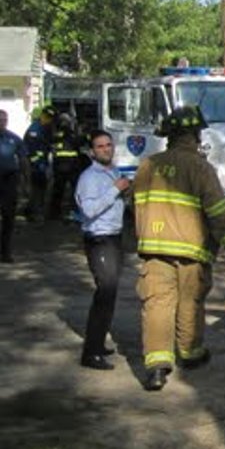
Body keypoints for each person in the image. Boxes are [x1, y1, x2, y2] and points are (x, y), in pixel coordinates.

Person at [133, 106, 225, 392]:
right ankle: (190, 354)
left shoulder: (148, 164)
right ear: (194, 135)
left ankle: (156, 367)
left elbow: (134, 205)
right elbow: (217, 209)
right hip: (192, 249)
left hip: (154, 248)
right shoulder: (200, 168)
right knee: (190, 301)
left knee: (156, 303)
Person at [75, 129, 132, 369]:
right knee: (104, 293)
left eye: (108, 145)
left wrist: (125, 192)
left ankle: (98, 344)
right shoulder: (89, 177)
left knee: (110, 294)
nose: (106, 149)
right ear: (91, 152)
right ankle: (91, 353)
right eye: (100, 146)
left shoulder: (114, 171)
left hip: (114, 237)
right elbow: (88, 210)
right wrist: (116, 189)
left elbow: (117, 202)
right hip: (99, 239)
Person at [0, 109, 28, 262]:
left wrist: (25, 180)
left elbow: (23, 159)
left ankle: (5, 251)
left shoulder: (13, 138)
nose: (2, 123)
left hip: (9, 179)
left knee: (9, 214)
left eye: (5, 120)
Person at [49, 111, 85, 221]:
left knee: (58, 191)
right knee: (74, 191)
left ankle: (54, 214)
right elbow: (80, 143)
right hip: (71, 166)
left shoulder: (55, 134)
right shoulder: (71, 134)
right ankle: (73, 212)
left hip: (59, 167)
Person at [22, 105, 55, 222]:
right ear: (42, 116)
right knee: (37, 190)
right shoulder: (35, 130)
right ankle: (34, 213)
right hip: (35, 165)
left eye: (50, 118)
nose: (49, 120)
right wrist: (37, 164)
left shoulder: (45, 128)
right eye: (47, 117)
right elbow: (30, 151)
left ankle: (32, 210)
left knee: (41, 189)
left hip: (42, 163)